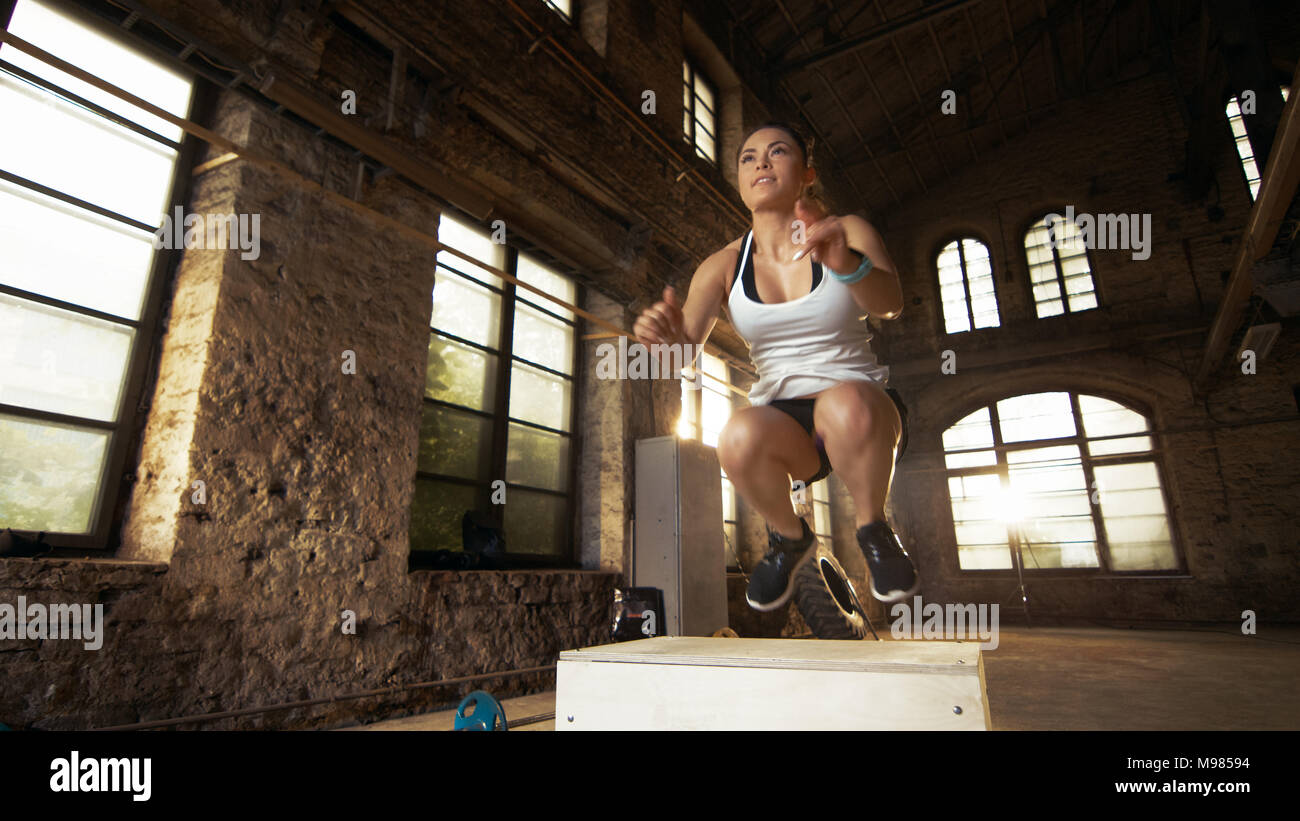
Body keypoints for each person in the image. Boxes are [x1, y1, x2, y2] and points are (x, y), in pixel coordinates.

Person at [632, 122, 920, 611]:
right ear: (741, 180)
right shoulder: (724, 264)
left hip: (862, 411)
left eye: (777, 152)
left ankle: (874, 528)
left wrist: (845, 264)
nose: (761, 163)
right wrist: (663, 339)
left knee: (845, 403)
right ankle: (789, 539)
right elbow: (682, 355)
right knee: (735, 435)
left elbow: (891, 303)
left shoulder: (848, 231)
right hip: (788, 429)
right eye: (747, 158)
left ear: (807, 173)